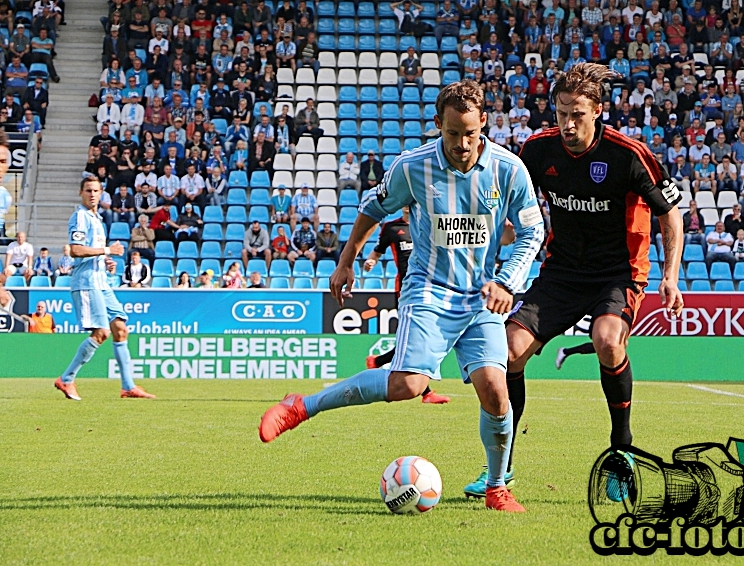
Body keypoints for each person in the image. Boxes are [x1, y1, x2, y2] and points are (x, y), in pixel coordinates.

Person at [258, 80, 545, 513]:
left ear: (483, 122)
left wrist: (507, 280)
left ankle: (497, 487)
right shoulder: (413, 167)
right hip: (429, 289)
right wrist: (345, 260)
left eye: (470, 133)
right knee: (409, 384)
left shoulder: (509, 169)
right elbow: (373, 208)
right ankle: (302, 406)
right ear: (437, 126)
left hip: (481, 297)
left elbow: (532, 231)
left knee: (494, 389)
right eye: (452, 134)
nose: (462, 144)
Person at [463, 64, 684, 498]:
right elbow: (511, 215)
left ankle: (622, 452)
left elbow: (670, 215)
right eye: (561, 112)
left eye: (577, 114)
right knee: (508, 352)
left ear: (598, 110)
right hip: (561, 273)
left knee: (607, 339)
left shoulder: (628, 154)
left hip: (618, 274)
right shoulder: (539, 150)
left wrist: (671, 275)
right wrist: (484, 238)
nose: (567, 124)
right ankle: (501, 468)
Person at [54, 177, 155, 401]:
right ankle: (67, 379)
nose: (92, 194)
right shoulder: (80, 216)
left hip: (101, 281)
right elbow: (76, 250)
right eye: (88, 190)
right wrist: (107, 251)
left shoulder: (97, 219)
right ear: (81, 192)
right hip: (87, 282)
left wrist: (105, 261)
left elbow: (93, 252)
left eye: (96, 190)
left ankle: (128, 386)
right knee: (102, 332)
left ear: (101, 194)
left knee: (120, 328)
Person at [362, 205, 454, 404]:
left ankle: (378, 362)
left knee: (420, 338)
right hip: (405, 288)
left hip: (431, 288)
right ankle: (426, 392)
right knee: (416, 337)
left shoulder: (428, 225)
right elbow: (377, 251)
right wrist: (371, 262)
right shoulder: (391, 229)